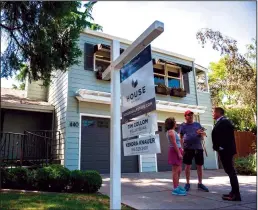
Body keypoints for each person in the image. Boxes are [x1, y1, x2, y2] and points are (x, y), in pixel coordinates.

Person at [212, 107, 241, 201]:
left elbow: (227, 136)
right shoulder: (221, 122)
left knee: (231, 172)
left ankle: (236, 195)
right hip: (224, 150)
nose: (213, 114)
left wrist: (222, 147)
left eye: (214, 112)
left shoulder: (225, 122)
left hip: (226, 151)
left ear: (219, 113)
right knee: (229, 171)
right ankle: (233, 192)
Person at [180, 110, 209, 192]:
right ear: (185, 116)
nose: (190, 116)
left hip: (198, 148)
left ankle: (200, 183)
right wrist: (182, 148)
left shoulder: (197, 124)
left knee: (199, 166)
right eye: (188, 115)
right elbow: (181, 137)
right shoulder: (183, 126)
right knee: (187, 166)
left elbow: (203, 136)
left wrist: (201, 134)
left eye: (191, 115)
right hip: (188, 148)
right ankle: (187, 183)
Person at [165, 117, 186, 196]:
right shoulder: (171, 132)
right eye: (175, 121)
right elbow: (174, 143)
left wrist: (181, 149)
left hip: (177, 150)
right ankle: (175, 189)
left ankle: (177, 185)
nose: (176, 123)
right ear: (172, 123)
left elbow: (177, 142)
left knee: (179, 170)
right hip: (175, 151)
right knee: (175, 171)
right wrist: (179, 153)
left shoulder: (173, 131)